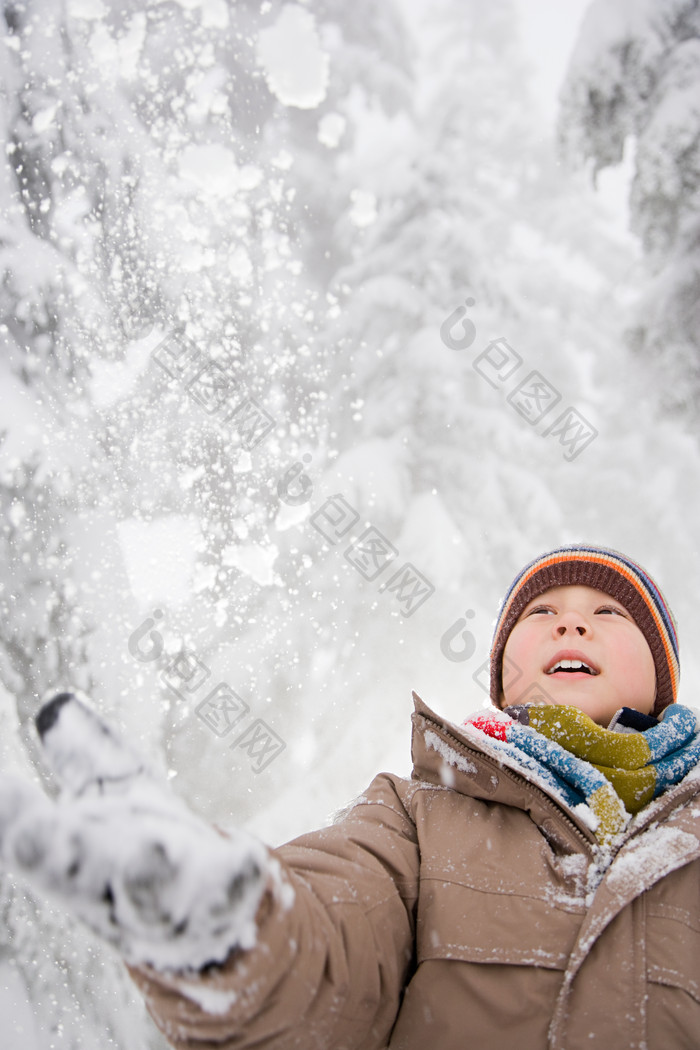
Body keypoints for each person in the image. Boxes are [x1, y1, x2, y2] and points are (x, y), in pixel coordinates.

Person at [1, 543, 699, 1050]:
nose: (570, 624)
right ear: (505, 680)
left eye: (610, 612)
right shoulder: (419, 818)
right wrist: (232, 929)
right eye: (541, 611)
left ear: (664, 679)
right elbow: (328, 955)